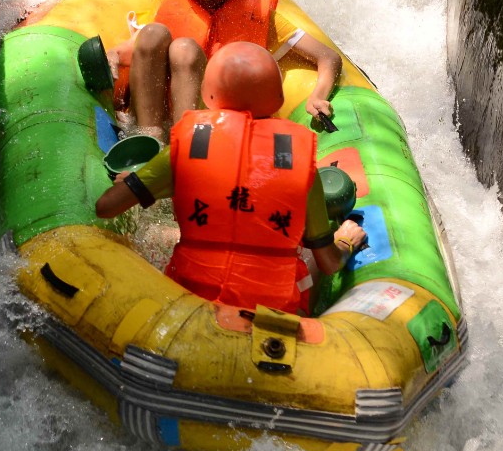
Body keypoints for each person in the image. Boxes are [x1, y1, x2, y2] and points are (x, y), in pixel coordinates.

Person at [96, 42, 366, 314]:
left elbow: (106, 207)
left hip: (188, 302)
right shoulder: (294, 158)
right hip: (270, 316)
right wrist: (344, 242)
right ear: (278, 100)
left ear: (207, 94)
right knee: (307, 251)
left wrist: (142, 183)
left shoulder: (191, 146)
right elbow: (329, 262)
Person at [114, 0, 342, 134]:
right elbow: (141, 46)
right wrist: (112, 57)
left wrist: (318, 96)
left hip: (207, 118)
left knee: (185, 49)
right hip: (155, 110)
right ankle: (146, 134)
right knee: (154, 33)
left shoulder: (260, 16)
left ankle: (183, 143)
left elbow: (328, 57)